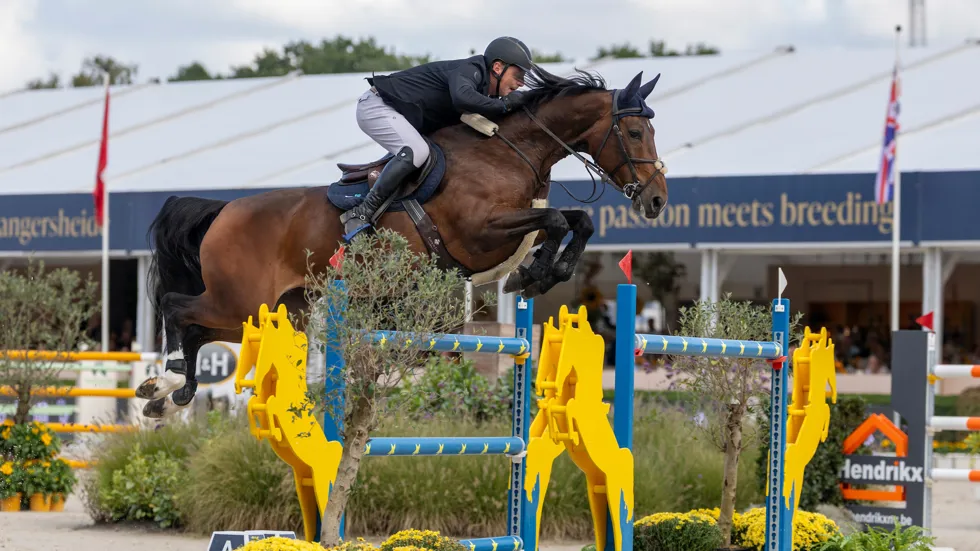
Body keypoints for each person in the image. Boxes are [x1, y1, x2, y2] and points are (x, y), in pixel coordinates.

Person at [341, 36, 535, 241]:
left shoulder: (484, 92)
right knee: (418, 151)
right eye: (518, 75)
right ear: (497, 67)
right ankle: (361, 212)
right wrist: (506, 105)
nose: (521, 83)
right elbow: (462, 97)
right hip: (376, 105)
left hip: (396, 113)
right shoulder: (472, 69)